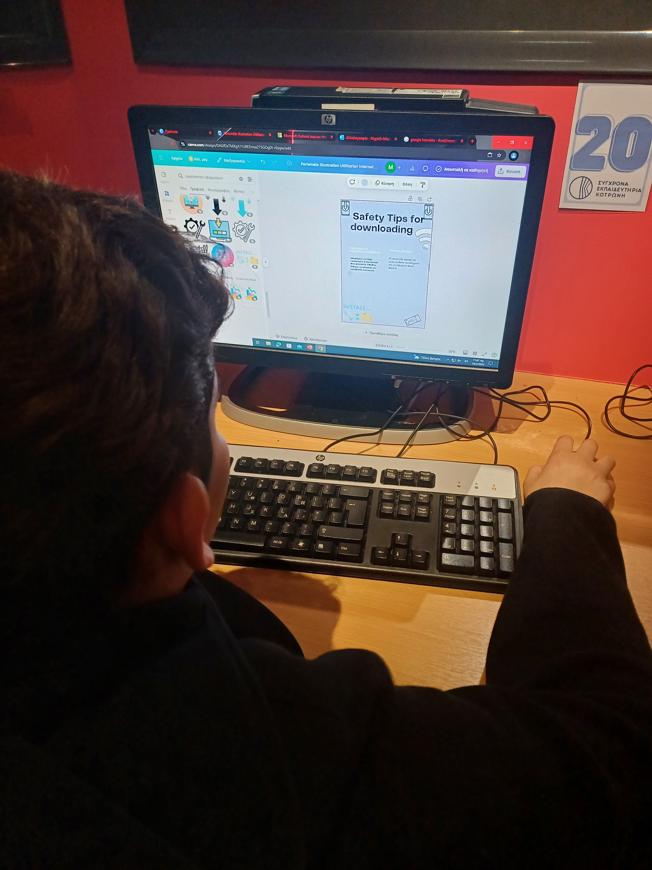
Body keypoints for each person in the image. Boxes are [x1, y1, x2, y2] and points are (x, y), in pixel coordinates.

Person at [1, 169, 651, 869]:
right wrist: (567, 510)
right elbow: (620, 755)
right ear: (188, 522)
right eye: (213, 415)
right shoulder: (264, 757)